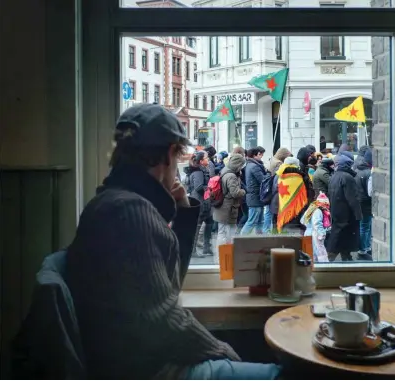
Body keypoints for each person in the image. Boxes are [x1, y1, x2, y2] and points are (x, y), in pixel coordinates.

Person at [65, 104, 280, 379]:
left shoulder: (113, 201)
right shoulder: (130, 211)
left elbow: (169, 285)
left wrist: (182, 210)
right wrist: (224, 351)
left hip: (129, 361)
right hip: (149, 369)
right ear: (168, 155)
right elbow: (163, 320)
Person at [327, 151, 363, 261]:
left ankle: (345, 258)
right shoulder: (348, 178)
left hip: (336, 211)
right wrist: (358, 214)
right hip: (347, 215)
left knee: (340, 237)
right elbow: (353, 198)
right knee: (341, 238)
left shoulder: (334, 176)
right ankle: (330, 259)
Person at [212, 154, 246, 264]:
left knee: (222, 232)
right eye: (241, 165)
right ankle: (227, 257)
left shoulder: (224, 170)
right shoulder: (231, 176)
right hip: (228, 208)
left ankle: (221, 257)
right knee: (229, 233)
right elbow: (235, 193)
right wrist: (243, 191)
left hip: (221, 207)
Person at [184, 151, 214, 257]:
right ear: (201, 161)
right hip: (200, 202)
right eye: (206, 158)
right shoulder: (198, 172)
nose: (208, 159)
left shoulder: (201, 171)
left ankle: (206, 247)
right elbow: (198, 187)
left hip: (204, 201)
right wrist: (210, 188)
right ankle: (193, 250)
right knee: (198, 225)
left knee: (209, 223)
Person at [275, 157, 314, 234]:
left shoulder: (279, 175)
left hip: (282, 204)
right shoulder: (300, 176)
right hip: (299, 208)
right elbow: (308, 190)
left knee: (286, 223)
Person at [240, 147, 267, 235]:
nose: (262, 156)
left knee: (259, 221)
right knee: (252, 222)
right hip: (255, 197)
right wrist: (269, 174)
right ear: (256, 154)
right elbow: (263, 180)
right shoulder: (255, 166)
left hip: (255, 197)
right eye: (261, 154)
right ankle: (240, 240)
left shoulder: (250, 164)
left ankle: (259, 240)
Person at [354, 146, 373, 261]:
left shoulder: (356, 170)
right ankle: (363, 250)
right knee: (365, 227)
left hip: (359, 202)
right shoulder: (368, 173)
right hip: (366, 204)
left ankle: (366, 247)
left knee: (363, 226)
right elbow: (371, 192)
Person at [301, 192, 331, 263]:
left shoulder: (312, 208)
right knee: (321, 252)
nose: (327, 206)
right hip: (315, 234)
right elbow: (317, 224)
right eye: (326, 204)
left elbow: (302, 220)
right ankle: (324, 267)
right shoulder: (318, 211)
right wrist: (322, 233)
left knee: (310, 253)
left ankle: (311, 268)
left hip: (308, 233)